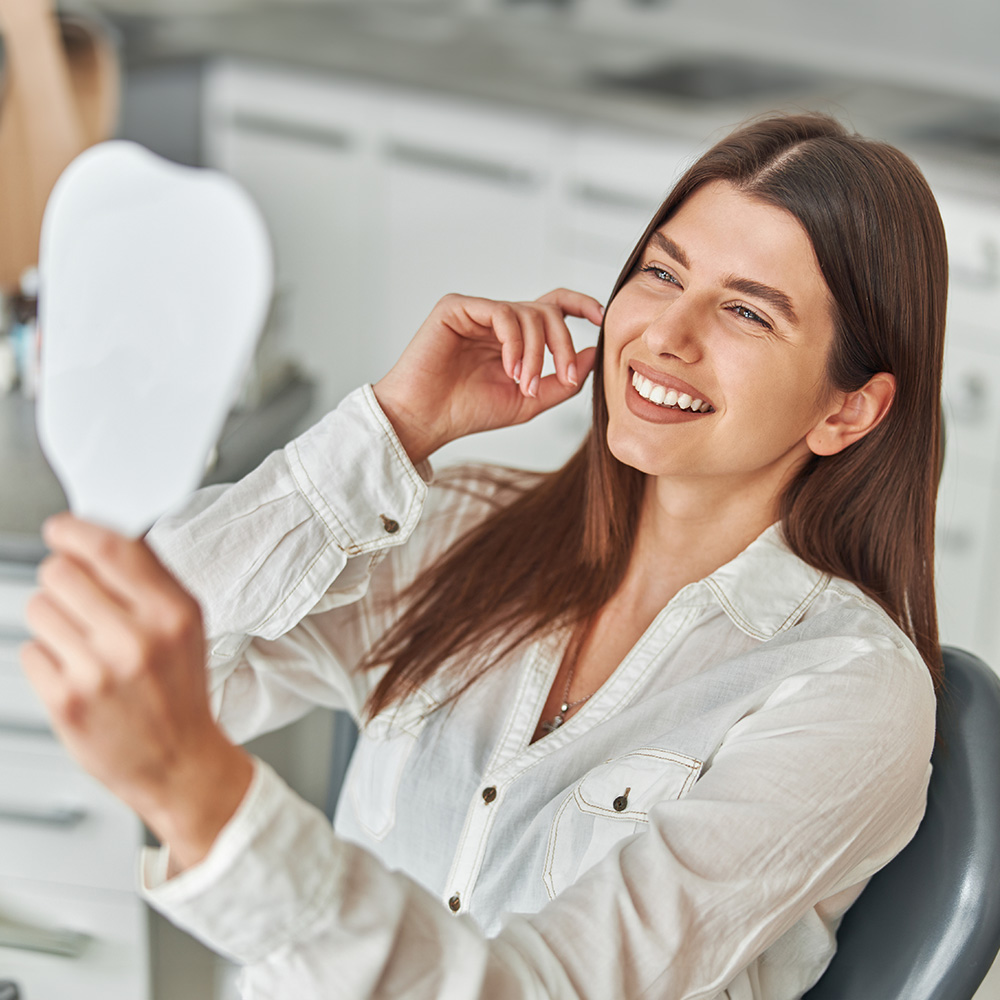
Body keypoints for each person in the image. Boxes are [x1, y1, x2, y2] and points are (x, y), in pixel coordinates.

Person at [21, 111, 946, 999]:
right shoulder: (466, 531)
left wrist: (210, 806)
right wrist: (394, 426)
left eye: (747, 313)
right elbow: (148, 654)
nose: (665, 334)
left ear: (848, 410)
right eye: (663, 275)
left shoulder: (845, 691)